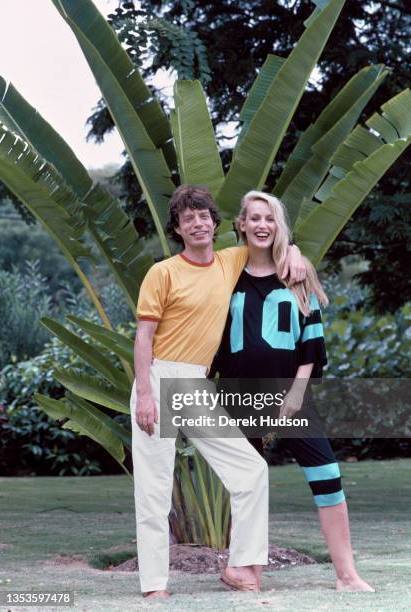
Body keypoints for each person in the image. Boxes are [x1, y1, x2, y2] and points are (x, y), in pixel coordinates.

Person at [130, 184, 306, 598]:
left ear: (215, 223)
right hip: (158, 378)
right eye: (187, 218)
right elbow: (143, 337)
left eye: (203, 215)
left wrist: (295, 252)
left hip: (195, 383)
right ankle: (154, 586)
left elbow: (274, 242)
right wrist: (143, 394)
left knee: (251, 471)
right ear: (177, 228)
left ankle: (241, 569)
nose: (197, 223)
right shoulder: (163, 272)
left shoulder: (231, 260)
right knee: (154, 490)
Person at [210, 190, 374, 592]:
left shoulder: (297, 274)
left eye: (270, 218)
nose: (262, 225)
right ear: (242, 225)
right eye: (254, 218)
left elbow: (311, 345)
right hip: (238, 396)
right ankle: (249, 574)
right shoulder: (225, 277)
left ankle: (347, 576)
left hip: (290, 395)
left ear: (278, 226)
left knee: (327, 475)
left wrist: (297, 394)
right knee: (248, 484)